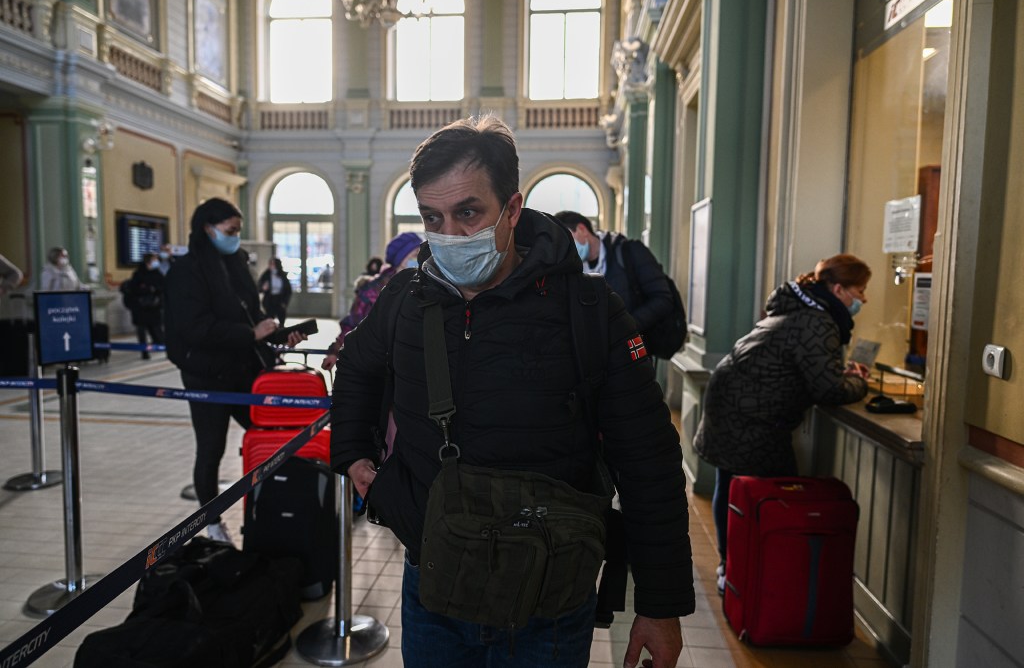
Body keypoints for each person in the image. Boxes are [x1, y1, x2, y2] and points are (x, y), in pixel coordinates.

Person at [330, 116, 693, 667]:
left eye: (468, 212)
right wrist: (355, 456)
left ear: (513, 209)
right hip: (435, 589)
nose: (448, 234)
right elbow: (356, 365)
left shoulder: (590, 314)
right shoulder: (406, 298)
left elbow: (649, 458)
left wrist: (660, 604)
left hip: (548, 601)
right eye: (433, 217)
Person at [692, 253, 872, 595]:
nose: (863, 299)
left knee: (731, 483)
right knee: (770, 491)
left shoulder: (799, 309)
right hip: (753, 413)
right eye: (859, 291)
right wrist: (859, 382)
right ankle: (747, 569)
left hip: (734, 400)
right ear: (839, 289)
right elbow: (828, 387)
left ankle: (732, 565)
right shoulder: (819, 321)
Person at [164, 198, 305, 544]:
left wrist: (274, 332)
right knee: (210, 449)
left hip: (243, 370)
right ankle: (211, 523)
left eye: (238, 231)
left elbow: (250, 311)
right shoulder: (187, 270)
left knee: (270, 438)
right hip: (206, 374)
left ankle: (276, 507)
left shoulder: (235, 263)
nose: (235, 237)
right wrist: (249, 333)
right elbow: (194, 328)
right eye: (230, 231)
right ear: (208, 229)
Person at [554, 211, 675, 343]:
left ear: (582, 229)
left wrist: (625, 328)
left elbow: (663, 299)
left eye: (567, 240)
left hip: (632, 346)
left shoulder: (629, 252)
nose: (565, 248)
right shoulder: (571, 269)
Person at [320, 232, 423, 371]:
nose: (418, 259)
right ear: (401, 258)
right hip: (378, 362)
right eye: (414, 254)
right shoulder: (373, 290)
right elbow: (353, 324)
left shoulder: (422, 286)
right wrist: (335, 351)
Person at [122, 252, 165, 359]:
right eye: (154, 259)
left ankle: (165, 350)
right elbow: (134, 288)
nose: (157, 262)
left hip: (154, 307)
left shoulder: (157, 273)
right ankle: (144, 352)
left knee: (157, 330)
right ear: (149, 261)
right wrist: (148, 289)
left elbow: (163, 287)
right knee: (141, 331)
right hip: (140, 307)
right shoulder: (138, 274)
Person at [257, 257, 292, 325]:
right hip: (269, 300)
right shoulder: (266, 274)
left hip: (280, 300)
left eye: (273, 264)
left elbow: (288, 290)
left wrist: (285, 302)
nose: (271, 266)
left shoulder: (282, 275)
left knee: (281, 319)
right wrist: (263, 288)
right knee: (269, 319)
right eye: (270, 264)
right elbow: (259, 286)